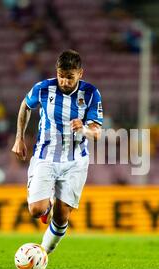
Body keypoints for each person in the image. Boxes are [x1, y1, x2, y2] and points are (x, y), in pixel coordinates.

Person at [11, 49, 103, 255]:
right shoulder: (43, 88)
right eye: (61, 76)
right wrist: (19, 138)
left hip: (75, 161)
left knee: (62, 216)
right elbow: (25, 106)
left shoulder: (91, 93)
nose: (64, 81)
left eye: (70, 77)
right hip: (46, 156)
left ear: (81, 73)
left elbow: (96, 132)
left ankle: (43, 252)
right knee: (36, 210)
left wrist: (84, 129)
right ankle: (46, 204)